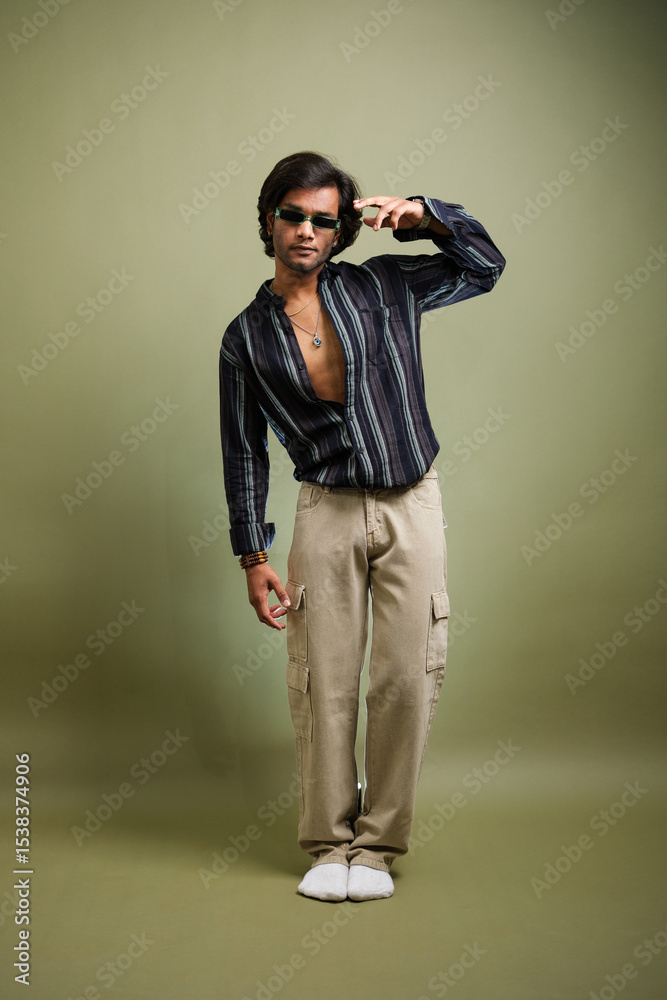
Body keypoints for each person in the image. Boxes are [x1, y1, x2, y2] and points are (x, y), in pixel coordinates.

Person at [219, 151, 505, 902]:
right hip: (325, 508)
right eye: (292, 215)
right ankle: (327, 843)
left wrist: (427, 216)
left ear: (341, 230)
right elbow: (243, 451)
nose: (305, 231)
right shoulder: (245, 338)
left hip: (413, 501)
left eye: (322, 220)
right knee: (322, 680)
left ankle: (376, 848)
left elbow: (484, 267)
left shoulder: (384, 286)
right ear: (269, 221)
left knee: (407, 676)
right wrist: (252, 554)